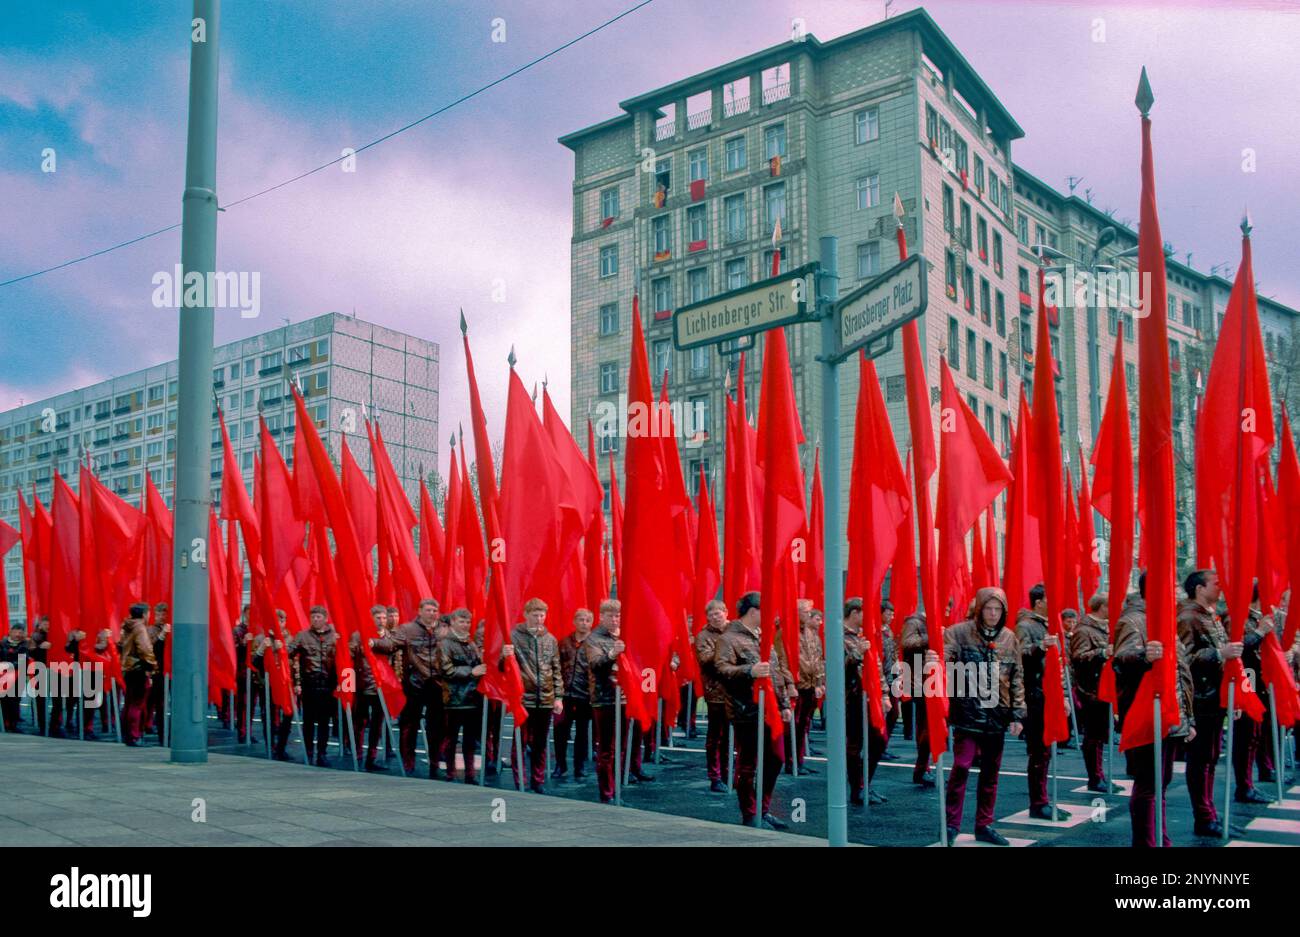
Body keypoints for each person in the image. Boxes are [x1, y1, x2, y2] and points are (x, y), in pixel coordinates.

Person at [937, 586, 1025, 846]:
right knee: (961, 767)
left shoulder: (1010, 638)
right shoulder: (958, 633)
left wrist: (1018, 714)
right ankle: (951, 824)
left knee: (990, 773)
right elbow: (944, 662)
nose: (993, 613)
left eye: (998, 609)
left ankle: (984, 824)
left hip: (997, 716)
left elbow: (1017, 676)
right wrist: (934, 657)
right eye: (989, 608)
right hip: (967, 713)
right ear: (980, 608)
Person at [1114, 572, 1195, 846]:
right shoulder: (1133, 620)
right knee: (1148, 783)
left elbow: (1181, 672)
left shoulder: (1166, 620)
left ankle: (1159, 836)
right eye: (1171, 586)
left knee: (1162, 782)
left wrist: (1188, 719)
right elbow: (1121, 659)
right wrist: (1142, 656)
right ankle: (1146, 841)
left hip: (1171, 714)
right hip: (1146, 713)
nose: (1177, 592)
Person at [1177, 570, 1255, 838]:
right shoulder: (1188, 617)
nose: (1220, 588)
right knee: (1201, 759)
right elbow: (1184, 659)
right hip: (1200, 698)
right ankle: (1203, 815)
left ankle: (1209, 811)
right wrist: (1219, 653)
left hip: (1214, 695)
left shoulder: (1209, 614)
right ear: (1200, 588)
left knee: (1210, 757)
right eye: (1216, 584)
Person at [714, 591, 794, 830]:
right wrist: (749, 671)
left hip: (770, 709)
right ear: (753, 612)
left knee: (777, 758)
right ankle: (750, 813)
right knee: (748, 763)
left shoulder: (763, 637)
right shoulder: (729, 638)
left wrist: (784, 705)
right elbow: (721, 669)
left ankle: (763, 807)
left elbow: (776, 673)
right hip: (745, 710)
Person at [373, 598, 445, 778]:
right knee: (409, 726)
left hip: (437, 685)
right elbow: (390, 645)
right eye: (428, 610)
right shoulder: (407, 629)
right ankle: (408, 763)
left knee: (436, 728)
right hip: (414, 684)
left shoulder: (444, 630)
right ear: (420, 611)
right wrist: (373, 643)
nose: (431, 613)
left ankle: (435, 765)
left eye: (434, 610)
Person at [504, 598, 564, 793]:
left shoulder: (550, 639)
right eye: (535, 615)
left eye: (542, 615)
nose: (539, 619)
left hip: (545, 698)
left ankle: (537, 780)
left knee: (540, 743)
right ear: (526, 615)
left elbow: (556, 669)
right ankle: (520, 780)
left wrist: (558, 697)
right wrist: (505, 655)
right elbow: (502, 668)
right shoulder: (514, 636)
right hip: (524, 698)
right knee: (520, 741)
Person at [1015, 584, 1065, 821]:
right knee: (1039, 751)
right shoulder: (1026, 625)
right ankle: (1038, 801)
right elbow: (1018, 654)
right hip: (1035, 695)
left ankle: (1044, 798)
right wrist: (1040, 647)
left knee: (1047, 751)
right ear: (1038, 602)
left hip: (1049, 694)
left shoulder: (1049, 624)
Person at [1233, 584, 1277, 799]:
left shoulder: (1257, 617)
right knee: (1247, 733)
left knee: (1256, 733)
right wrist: (1260, 632)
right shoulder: (1240, 618)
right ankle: (1244, 784)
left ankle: (1250, 781)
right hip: (1246, 676)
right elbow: (1241, 646)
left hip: (1258, 679)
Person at [1069, 592, 1114, 792]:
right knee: (1093, 736)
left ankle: (1100, 774)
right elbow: (1078, 657)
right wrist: (1102, 653)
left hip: (1104, 687)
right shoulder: (1084, 630)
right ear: (1102, 606)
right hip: (1090, 689)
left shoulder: (1104, 628)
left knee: (1101, 734)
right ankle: (1094, 776)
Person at [436, 607, 485, 783]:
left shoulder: (471, 643)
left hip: (472, 698)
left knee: (470, 740)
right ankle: (451, 773)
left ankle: (470, 774)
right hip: (454, 699)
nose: (465, 625)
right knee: (451, 738)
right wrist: (472, 671)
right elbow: (446, 670)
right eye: (461, 621)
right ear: (453, 622)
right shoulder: (444, 644)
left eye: (468, 622)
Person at [287, 606, 339, 767]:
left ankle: (322, 753)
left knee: (324, 722)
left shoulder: (335, 637)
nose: (315, 620)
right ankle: (308, 752)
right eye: (313, 617)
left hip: (328, 686)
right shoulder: (303, 636)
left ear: (325, 618)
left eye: (318, 617)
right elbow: (288, 652)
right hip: (309, 685)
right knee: (308, 722)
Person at [585, 599, 626, 804]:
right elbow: (596, 664)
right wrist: (612, 654)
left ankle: (617, 787)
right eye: (610, 615)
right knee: (606, 748)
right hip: (605, 698)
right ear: (601, 617)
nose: (614, 619)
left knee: (621, 747)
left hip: (625, 698)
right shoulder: (594, 638)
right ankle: (606, 792)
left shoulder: (625, 635)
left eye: (618, 615)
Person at [694, 599, 732, 792]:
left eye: (717, 613)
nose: (714, 617)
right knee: (715, 736)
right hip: (715, 692)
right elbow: (706, 660)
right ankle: (715, 776)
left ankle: (728, 773)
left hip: (736, 691)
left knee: (731, 737)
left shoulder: (736, 631)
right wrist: (727, 649)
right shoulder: (703, 636)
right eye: (711, 615)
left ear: (726, 612)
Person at [555, 608, 594, 780]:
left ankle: (580, 766)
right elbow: (556, 667)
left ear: (591, 623)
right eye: (580, 619)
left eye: (587, 620)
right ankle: (560, 765)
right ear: (574, 621)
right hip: (565, 695)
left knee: (582, 733)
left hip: (585, 695)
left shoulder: (594, 644)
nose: (583, 623)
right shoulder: (564, 642)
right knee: (560, 732)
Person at [350, 605, 389, 771]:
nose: (381, 621)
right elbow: (349, 657)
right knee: (359, 723)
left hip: (382, 686)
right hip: (363, 685)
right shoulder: (359, 635)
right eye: (378, 618)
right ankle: (357, 754)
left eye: (384, 618)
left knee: (377, 725)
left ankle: (371, 758)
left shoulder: (390, 636)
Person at [901, 610, 934, 786]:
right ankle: (921, 769)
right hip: (919, 681)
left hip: (929, 680)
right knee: (925, 729)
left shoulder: (927, 624)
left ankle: (923, 768)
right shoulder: (914, 622)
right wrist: (931, 637)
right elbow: (906, 643)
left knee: (928, 728)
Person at [793, 600, 825, 775]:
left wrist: (819, 683)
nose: (809, 615)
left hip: (810, 686)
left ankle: (799, 760)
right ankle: (792, 761)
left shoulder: (811, 634)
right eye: (806, 612)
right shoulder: (787, 632)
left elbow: (818, 660)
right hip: (797, 686)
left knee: (803, 725)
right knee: (795, 725)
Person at [116, 604, 156, 746]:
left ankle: (128, 734)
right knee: (137, 704)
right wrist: (152, 665)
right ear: (144, 614)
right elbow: (145, 649)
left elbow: (120, 645)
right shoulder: (140, 628)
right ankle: (135, 735)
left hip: (127, 668)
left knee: (128, 703)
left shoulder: (126, 627)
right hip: (139, 668)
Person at [1, 622, 33, 732]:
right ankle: (5, 722)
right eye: (15, 632)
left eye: (20, 632)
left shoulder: (24, 646)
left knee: (14, 701)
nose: (17, 634)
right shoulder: (2, 644)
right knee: (4, 701)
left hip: (18, 677)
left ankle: (13, 724)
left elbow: (23, 662)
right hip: (3, 677)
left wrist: (9, 665)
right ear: (10, 632)